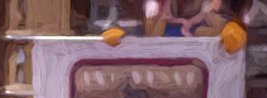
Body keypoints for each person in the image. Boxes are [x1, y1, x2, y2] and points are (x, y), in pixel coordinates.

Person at [102, 0, 251, 53]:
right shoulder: (152, 8)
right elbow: (137, 30)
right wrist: (122, 34)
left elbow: (227, 20)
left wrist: (233, 29)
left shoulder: (214, 9)